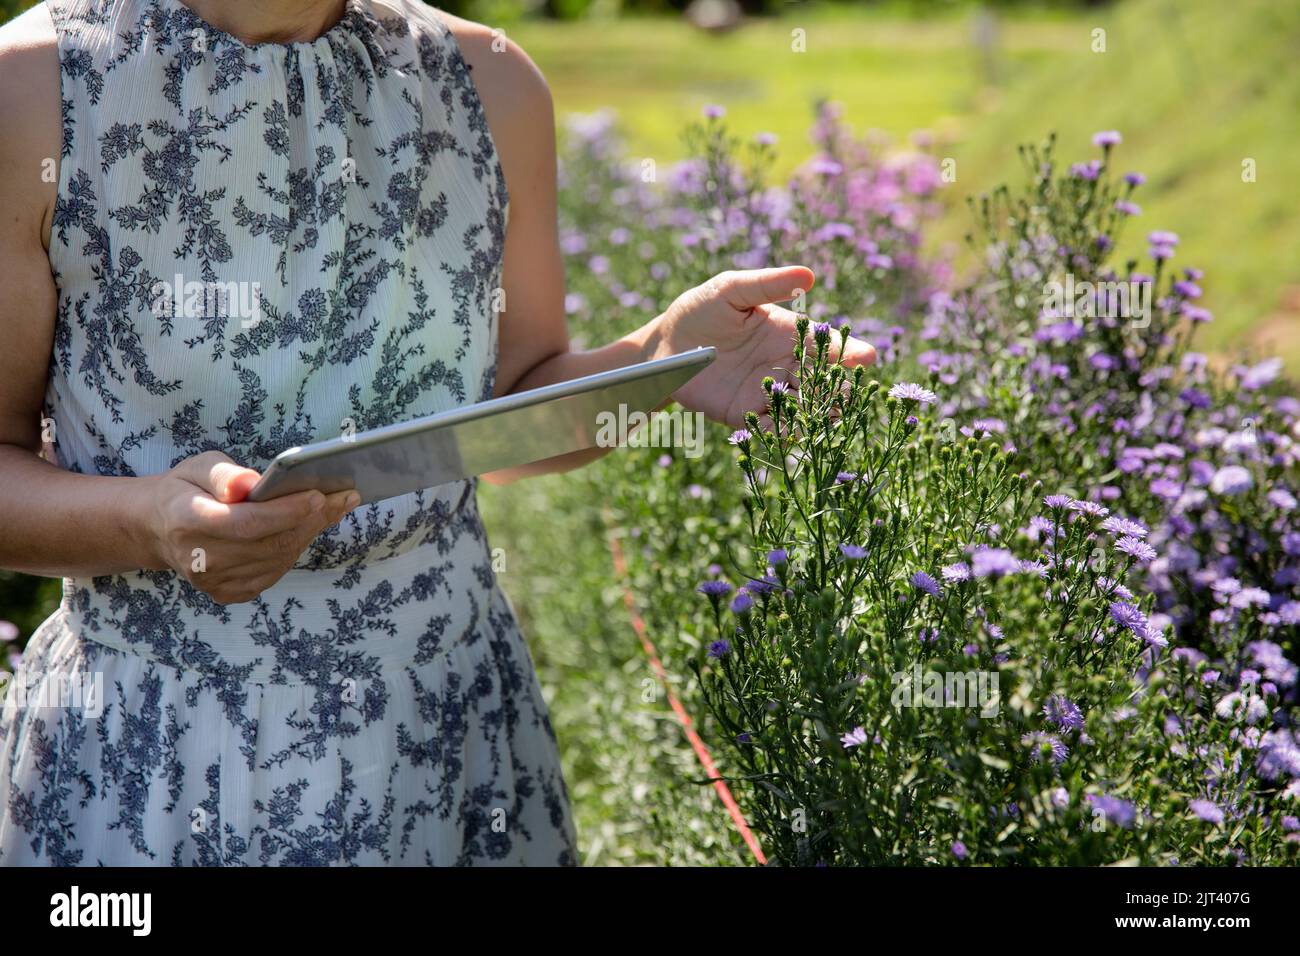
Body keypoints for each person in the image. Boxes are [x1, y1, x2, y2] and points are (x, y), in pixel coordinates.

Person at [0, 0, 874, 865]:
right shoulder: (36, 86)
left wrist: (663, 360)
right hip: (161, 753)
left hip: (450, 728)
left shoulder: (490, 80)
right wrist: (149, 524)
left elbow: (514, 411)